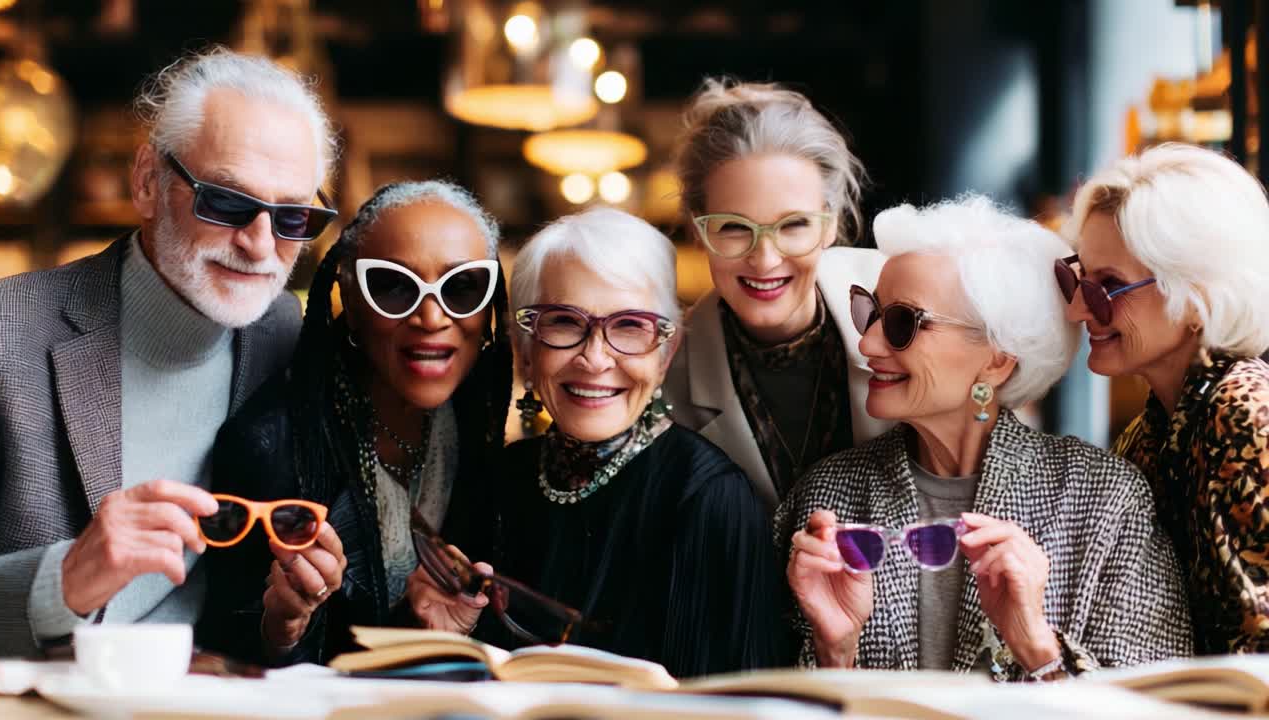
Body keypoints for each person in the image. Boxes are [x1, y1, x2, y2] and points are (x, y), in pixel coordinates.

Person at [0, 47, 337, 656]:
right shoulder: (1, 331)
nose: (260, 246)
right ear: (148, 182)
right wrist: (60, 582)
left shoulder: (283, 332)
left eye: (292, 218)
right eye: (227, 202)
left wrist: (281, 618)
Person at [778, 196, 1192, 680]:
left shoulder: (1104, 499)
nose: (868, 343)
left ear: (997, 359)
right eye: (870, 313)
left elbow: (1162, 705)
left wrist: (1038, 646)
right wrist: (834, 653)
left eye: (901, 324)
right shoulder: (829, 498)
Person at [407, 208, 784, 678]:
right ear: (525, 348)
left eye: (630, 326)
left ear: (666, 353)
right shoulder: (494, 484)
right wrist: (446, 643)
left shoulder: (707, 498)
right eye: (564, 321)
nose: (594, 358)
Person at [198, 180, 513, 664]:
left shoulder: (476, 431)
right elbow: (223, 655)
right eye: (392, 286)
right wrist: (283, 627)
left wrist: (425, 628)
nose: (432, 317)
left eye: (463, 286)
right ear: (349, 293)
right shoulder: (271, 444)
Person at [1062, 143, 1269, 654]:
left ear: (1197, 296)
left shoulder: (1242, 412)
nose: (1078, 310)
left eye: (1107, 286)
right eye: (1075, 279)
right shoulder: (1148, 435)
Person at [664, 79, 891, 513]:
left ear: (830, 224)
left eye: (793, 225)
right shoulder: (666, 372)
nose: (765, 260)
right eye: (733, 227)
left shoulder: (907, 313)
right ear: (698, 231)